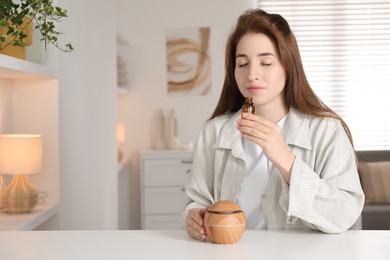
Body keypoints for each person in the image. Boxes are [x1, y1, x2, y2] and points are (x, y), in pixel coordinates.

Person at [181, 9, 365, 241]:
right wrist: (193, 216)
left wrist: (285, 159)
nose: (252, 74)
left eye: (266, 62)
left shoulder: (328, 130)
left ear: (288, 66)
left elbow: (345, 214)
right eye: (242, 63)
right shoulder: (213, 132)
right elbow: (197, 201)